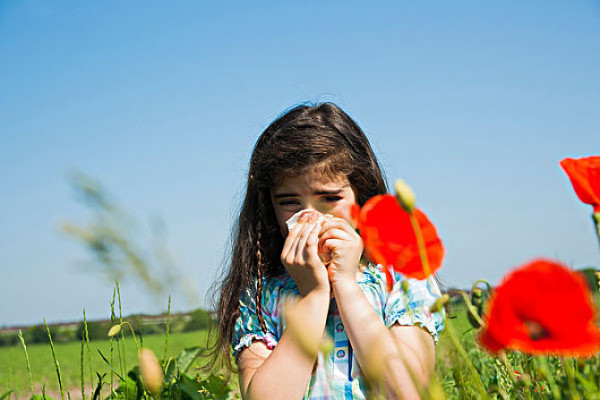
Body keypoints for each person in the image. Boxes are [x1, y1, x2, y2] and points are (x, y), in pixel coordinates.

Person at [210, 102, 445, 399]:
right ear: (269, 206)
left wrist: (346, 284)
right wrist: (312, 295)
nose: (311, 217)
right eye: (289, 202)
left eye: (330, 197)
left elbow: (408, 392)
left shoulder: (401, 278)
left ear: (361, 194)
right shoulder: (261, 294)